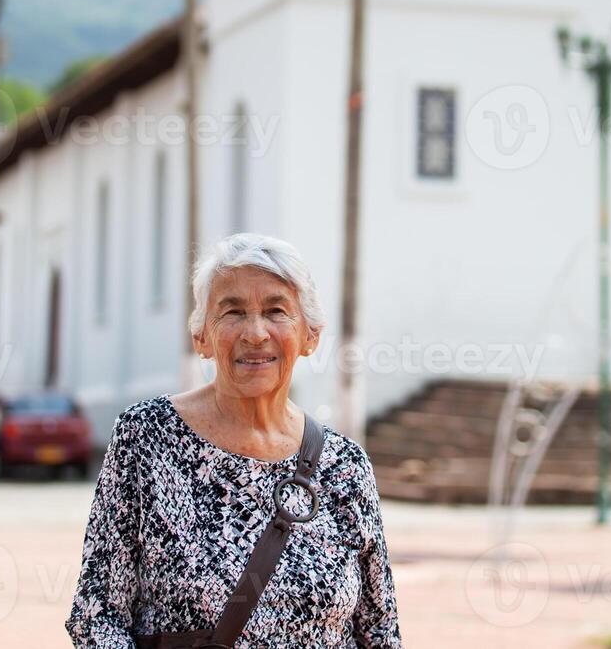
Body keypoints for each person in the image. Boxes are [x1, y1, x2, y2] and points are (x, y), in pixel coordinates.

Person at [66, 233, 403, 648]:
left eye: (276, 310)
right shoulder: (147, 438)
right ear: (201, 337)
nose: (256, 333)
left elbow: (380, 629)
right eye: (233, 312)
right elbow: (97, 617)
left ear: (310, 335)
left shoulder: (345, 465)